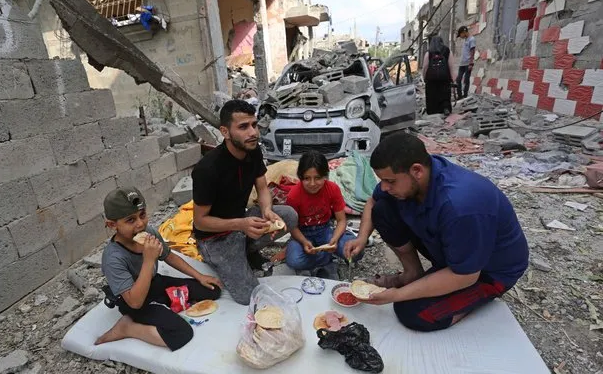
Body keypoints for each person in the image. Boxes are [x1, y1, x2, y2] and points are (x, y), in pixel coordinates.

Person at [344, 133, 529, 332]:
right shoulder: (418, 177)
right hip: (452, 248)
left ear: (417, 170)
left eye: (390, 181)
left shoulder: (461, 206)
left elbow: (465, 276)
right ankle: (412, 274)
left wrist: (398, 294)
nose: (384, 187)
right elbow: (373, 202)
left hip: (487, 272)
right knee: (383, 209)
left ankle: (471, 301)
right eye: (382, 180)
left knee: (412, 312)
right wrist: (362, 237)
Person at [192, 100, 298, 305]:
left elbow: (262, 188)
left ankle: (246, 252)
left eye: (254, 124)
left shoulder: (253, 151)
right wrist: (241, 224)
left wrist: (267, 210)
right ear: (225, 131)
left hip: (242, 224)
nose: (253, 132)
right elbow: (200, 222)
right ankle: (231, 258)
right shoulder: (208, 169)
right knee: (250, 298)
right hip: (215, 239)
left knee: (289, 216)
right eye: (243, 127)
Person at [96, 187, 222, 351]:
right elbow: (134, 301)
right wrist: (148, 260)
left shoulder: (148, 232)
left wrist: (199, 276)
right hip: (135, 301)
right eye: (130, 220)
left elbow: (168, 256)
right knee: (181, 333)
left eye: (142, 215)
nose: (140, 224)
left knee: (213, 290)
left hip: (155, 284)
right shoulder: (113, 258)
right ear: (112, 225)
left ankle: (165, 303)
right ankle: (127, 328)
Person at [284, 151, 364, 279]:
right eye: (307, 178)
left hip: (325, 229)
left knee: (356, 252)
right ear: (300, 177)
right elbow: (292, 227)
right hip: (302, 233)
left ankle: (317, 258)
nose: (312, 183)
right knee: (294, 260)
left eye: (317, 178)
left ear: (325, 176)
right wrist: (304, 242)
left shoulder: (332, 189)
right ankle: (327, 259)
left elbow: (341, 220)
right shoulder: (294, 195)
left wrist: (335, 239)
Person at [422, 35, 454, 115]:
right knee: (445, 93)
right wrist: (452, 78)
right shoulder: (447, 51)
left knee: (432, 95)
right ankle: (445, 108)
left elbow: (425, 66)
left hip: (431, 78)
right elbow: (451, 66)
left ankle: (432, 111)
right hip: (444, 77)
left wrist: (424, 77)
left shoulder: (429, 52)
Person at [455, 26, 476, 99]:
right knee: (458, 79)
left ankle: (465, 95)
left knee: (466, 80)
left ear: (464, 32)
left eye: (460, 34)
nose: (460, 36)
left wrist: (471, 63)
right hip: (462, 63)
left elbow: (472, 51)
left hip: (468, 63)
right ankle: (460, 95)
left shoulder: (472, 39)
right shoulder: (465, 40)